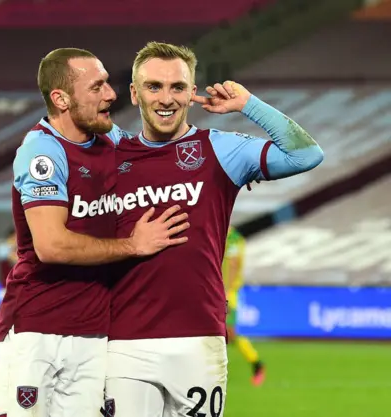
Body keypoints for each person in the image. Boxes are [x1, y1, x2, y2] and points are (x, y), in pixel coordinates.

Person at [106, 42, 323, 417]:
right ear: (134, 93)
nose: (166, 98)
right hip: (125, 342)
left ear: (193, 93)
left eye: (178, 87)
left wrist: (248, 105)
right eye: (153, 86)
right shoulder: (110, 156)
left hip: (200, 339)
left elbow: (305, 154)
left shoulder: (221, 150)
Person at [0, 48, 190, 417]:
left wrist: (224, 174)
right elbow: (51, 246)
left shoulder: (110, 141)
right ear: (61, 99)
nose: (110, 95)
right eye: (97, 87)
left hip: (95, 335)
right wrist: (132, 245)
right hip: (38, 331)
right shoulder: (43, 152)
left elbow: (161, 161)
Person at [223, 226, 265, 386]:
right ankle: (255, 363)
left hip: (227, 293)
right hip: (223, 291)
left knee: (229, 333)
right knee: (225, 334)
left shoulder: (232, 238)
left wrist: (226, 290)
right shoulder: (231, 236)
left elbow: (233, 264)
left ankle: (257, 363)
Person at [0, 227, 17, 301]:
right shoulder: (2, 248)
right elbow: (11, 258)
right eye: (14, 238)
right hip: (5, 289)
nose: (16, 241)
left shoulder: (21, 251)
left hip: (19, 289)